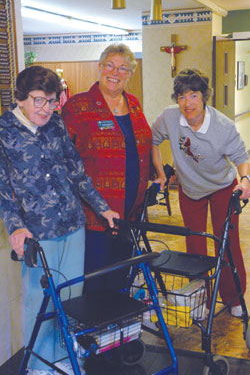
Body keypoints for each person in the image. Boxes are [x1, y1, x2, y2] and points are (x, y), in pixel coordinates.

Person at [0, 65, 119, 375]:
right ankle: (40, 363)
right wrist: (15, 226)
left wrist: (101, 207)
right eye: (39, 100)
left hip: (72, 222)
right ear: (22, 98)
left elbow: (76, 170)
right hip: (36, 232)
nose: (46, 108)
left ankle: (65, 354)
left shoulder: (55, 125)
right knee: (39, 300)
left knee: (70, 295)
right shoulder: (4, 132)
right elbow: (3, 189)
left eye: (52, 101)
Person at [151, 68, 250, 318]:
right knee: (194, 243)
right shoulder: (169, 118)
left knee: (226, 241)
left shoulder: (222, 126)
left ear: (204, 97)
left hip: (222, 188)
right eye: (182, 97)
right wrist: (161, 173)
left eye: (193, 96)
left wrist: (245, 180)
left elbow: (240, 155)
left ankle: (233, 297)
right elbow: (151, 139)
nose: (187, 103)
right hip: (190, 188)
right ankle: (201, 299)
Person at [61, 43, 152, 293]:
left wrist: (159, 172)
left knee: (121, 275)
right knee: (95, 277)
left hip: (130, 213)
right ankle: (92, 330)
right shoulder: (78, 107)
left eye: (123, 68)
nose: (116, 72)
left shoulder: (133, 104)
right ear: (100, 67)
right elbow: (62, 158)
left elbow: (144, 143)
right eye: (110, 65)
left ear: (130, 74)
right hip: (95, 215)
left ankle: (117, 330)